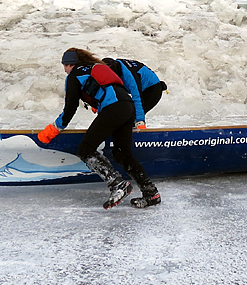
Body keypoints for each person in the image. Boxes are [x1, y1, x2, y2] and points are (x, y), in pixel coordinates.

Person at [37, 48, 161, 209]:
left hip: (114, 108)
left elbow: (70, 108)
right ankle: (151, 193)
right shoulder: (96, 67)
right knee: (122, 153)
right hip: (128, 107)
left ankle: (117, 184)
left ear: (70, 64)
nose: (65, 71)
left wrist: (53, 129)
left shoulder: (74, 76)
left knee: (85, 149)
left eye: (65, 67)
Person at [102, 57, 167, 129]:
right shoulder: (108, 68)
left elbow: (137, 98)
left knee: (131, 116)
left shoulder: (130, 76)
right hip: (141, 86)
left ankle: (136, 130)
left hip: (152, 90)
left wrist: (140, 121)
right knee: (124, 114)